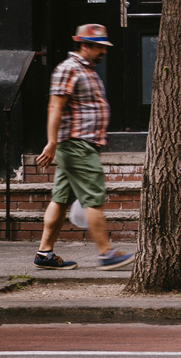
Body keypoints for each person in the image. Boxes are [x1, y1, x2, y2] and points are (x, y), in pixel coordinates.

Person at [33, 24, 135, 271]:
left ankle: (44, 253)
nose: (104, 52)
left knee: (61, 198)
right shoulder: (68, 69)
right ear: (84, 45)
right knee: (93, 197)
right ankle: (106, 253)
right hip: (77, 144)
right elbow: (54, 107)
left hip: (81, 143)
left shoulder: (86, 70)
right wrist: (52, 142)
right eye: (100, 47)